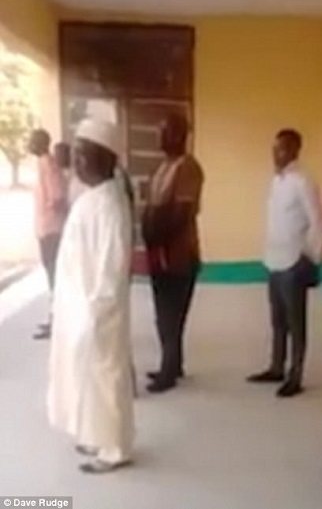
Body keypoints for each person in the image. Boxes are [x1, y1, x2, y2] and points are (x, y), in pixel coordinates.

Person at [47, 118, 134, 474]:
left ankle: (115, 448)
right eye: (76, 154)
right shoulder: (93, 197)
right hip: (80, 309)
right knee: (86, 377)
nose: (77, 162)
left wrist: (94, 315)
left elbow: (112, 269)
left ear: (106, 158)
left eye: (84, 155)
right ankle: (96, 436)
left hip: (98, 312)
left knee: (105, 377)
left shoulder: (110, 205)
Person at [247, 129, 322, 398]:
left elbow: (319, 223)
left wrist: (311, 259)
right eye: (274, 148)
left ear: (294, 150)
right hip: (274, 260)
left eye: (281, 149)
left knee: (296, 323)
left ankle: (296, 375)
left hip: (294, 262)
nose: (275, 154)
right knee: (278, 321)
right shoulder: (277, 182)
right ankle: (276, 367)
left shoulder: (303, 182)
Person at [142, 113, 204, 394]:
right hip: (159, 251)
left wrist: (155, 233)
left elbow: (181, 212)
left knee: (171, 314)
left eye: (164, 131)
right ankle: (173, 364)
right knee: (162, 312)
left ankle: (169, 371)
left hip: (178, 253)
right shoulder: (163, 167)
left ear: (179, 135)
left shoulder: (188, 167)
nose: (159, 136)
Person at [30, 130, 67, 340]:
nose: (29, 144)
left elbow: (58, 196)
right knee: (52, 277)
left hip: (52, 230)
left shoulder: (48, 164)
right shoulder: (43, 164)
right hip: (46, 229)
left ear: (41, 143)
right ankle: (55, 318)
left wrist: (49, 209)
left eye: (32, 141)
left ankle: (58, 321)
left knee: (56, 278)